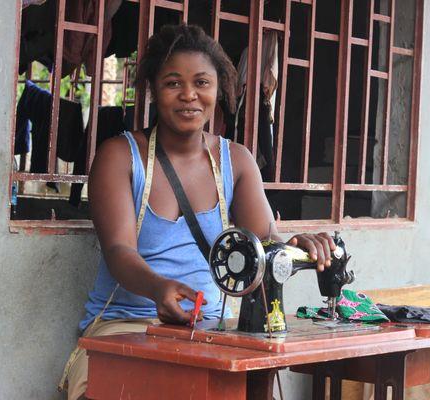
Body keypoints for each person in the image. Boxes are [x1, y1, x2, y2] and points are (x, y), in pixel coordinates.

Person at [59, 24, 335, 400]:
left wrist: (294, 248)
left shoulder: (236, 162)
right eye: (173, 83)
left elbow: (264, 242)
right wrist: (158, 289)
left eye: (201, 83)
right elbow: (119, 251)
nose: (189, 95)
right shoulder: (120, 156)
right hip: (126, 325)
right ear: (154, 89)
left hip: (207, 331)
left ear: (219, 89)